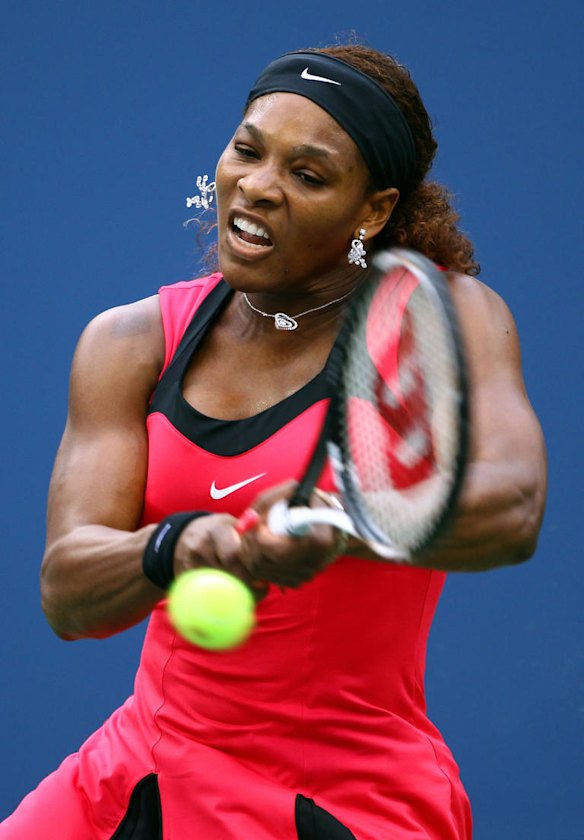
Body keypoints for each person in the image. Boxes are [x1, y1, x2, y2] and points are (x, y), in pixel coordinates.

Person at [1, 44, 546, 840]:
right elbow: (67, 594)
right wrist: (176, 546)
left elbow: (513, 507)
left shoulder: (443, 323)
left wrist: (339, 519)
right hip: (140, 767)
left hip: (342, 795)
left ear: (371, 211)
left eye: (308, 175)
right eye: (247, 151)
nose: (257, 186)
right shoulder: (129, 342)